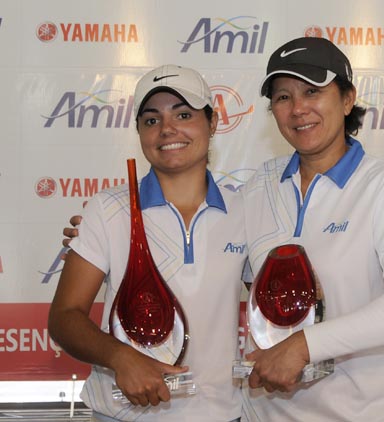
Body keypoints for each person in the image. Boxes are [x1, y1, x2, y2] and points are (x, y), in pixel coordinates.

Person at [240, 37, 384, 422]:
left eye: (312, 91)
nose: (298, 109)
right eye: (282, 97)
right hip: (264, 414)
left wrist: (303, 346)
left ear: (347, 100)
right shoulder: (257, 188)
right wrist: (95, 234)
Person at [49, 64, 245, 422]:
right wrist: (120, 358)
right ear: (139, 131)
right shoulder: (108, 208)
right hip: (124, 414)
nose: (167, 129)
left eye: (183, 114)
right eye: (151, 120)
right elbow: (64, 318)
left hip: (221, 414)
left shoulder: (246, 210)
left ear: (212, 123)